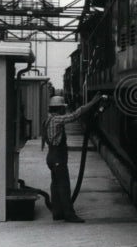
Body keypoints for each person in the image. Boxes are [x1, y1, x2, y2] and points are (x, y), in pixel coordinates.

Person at [42, 93, 108, 223]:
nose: (64, 110)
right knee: (63, 186)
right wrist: (93, 102)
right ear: (59, 108)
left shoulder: (48, 119)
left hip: (51, 157)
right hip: (57, 158)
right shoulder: (56, 119)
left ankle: (57, 212)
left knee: (55, 185)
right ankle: (69, 214)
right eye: (63, 108)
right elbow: (75, 115)